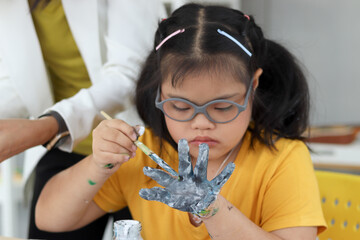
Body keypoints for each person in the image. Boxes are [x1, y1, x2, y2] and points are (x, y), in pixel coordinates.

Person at [35, 3, 327, 240]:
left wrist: (210, 207)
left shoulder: (282, 159)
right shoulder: (147, 152)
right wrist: (98, 164)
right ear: (158, 91)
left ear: (254, 85)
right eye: (180, 106)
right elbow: (49, 219)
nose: (201, 123)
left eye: (223, 106)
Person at [0, 0, 166, 239]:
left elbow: (130, 75)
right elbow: (15, 83)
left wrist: (51, 124)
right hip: (65, 145)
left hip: (136, 146)